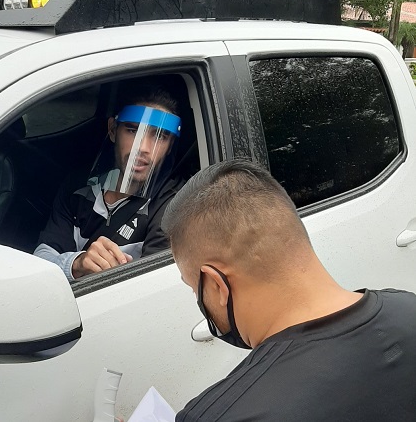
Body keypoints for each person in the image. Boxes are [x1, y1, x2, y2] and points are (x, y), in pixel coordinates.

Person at [161, 159, 416, 421]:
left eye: (194, 289)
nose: (199, 301)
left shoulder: (218, 415)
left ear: (216, 284)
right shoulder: (408, 308)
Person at [34, 82, 185, 280]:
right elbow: (41, 260)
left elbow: (151, 286)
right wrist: (77, 264)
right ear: (113, 130)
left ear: (170, 145)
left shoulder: (173, 205)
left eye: (160, 136)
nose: (143, 148)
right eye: (132, 130)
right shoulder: (78, 186)